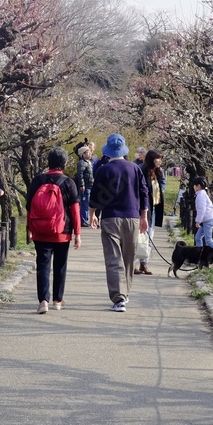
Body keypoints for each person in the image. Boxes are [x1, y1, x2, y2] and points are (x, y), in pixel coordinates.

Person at [89, 133, 149, 312]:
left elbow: (95, 194)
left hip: (110, 217)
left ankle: (119, 298)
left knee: (113, 258)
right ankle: (126, 293)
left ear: (108, 151)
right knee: (128, 257)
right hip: (132, 217)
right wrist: (144, 216)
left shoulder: (103, 169)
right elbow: (144, 191)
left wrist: (93, 214)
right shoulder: (134, 168)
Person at [26, 146, 81, 313]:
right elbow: (75, 211)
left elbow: (29, 207)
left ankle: (43, 301)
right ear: (64, 163)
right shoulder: (69, 183)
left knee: (43, 265)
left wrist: (29, 228)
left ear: (48, 162)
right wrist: (77, 233)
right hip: (62, 232)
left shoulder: (38, 180)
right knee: (60, 265)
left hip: (41, 231)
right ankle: (58, 300)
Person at [135, 150, 165, 275]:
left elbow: (160, 188)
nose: (160, 161)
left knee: (149, 237)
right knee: (139, 236)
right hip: (143, 208)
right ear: (152, 159)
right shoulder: (142, 171)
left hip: (153, 208)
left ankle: (144, 263)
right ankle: (133, 263)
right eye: (158, 158)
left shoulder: (158, 172)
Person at [193, 176, 213, 251]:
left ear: (198, 186)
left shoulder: (201, 195)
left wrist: (198, 221)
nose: (193, 187)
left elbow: (201, 210)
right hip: (206, 219)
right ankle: (199, 254)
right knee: (198, 238)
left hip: (208, 220)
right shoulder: (201, 194)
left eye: (194, 185)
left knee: (208, 240)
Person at [74, 144, 94, 226]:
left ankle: (85, 219)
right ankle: (83, 220)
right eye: (87, 152)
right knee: (84, 203)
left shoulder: (89, 162)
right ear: (83, 154)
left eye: (89, 152)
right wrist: (82, 185)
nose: (89, 154)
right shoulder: (82, 163)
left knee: (87, 203)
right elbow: (80, 174)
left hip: (89, 185)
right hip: (85, 186)